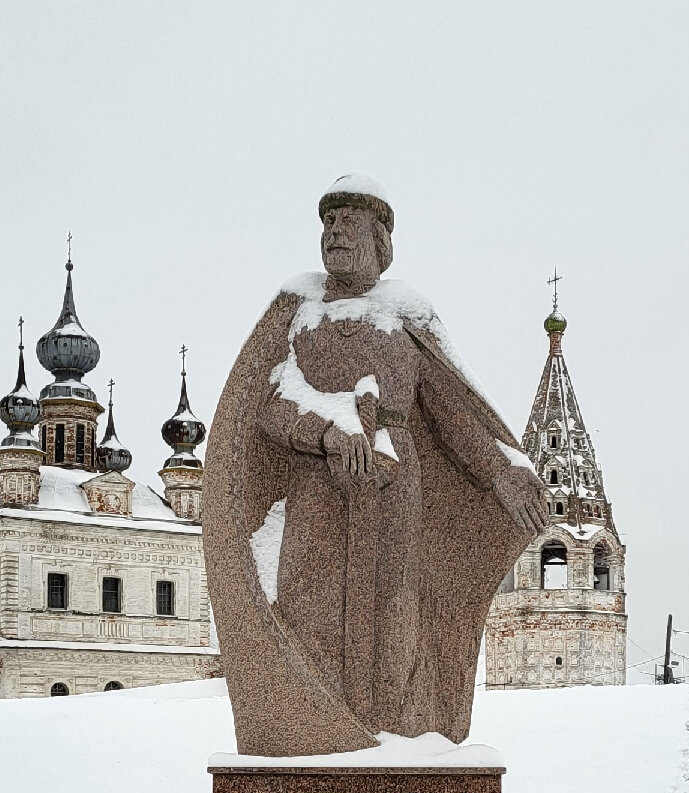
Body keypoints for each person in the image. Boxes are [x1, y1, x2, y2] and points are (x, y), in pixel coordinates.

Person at [204, 175, 550, 757]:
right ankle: (316, 729)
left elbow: (452, 414)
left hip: (394, 481)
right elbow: (260, 404)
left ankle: (398, 739)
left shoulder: (407, 316)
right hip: (317, 484)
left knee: (395, 610)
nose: (333, 232)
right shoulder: (298, 310)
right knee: (306, 604)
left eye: (347, 221)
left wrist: (501, 472)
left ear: (380, 238)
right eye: (327, 223)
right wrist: (326, 431)